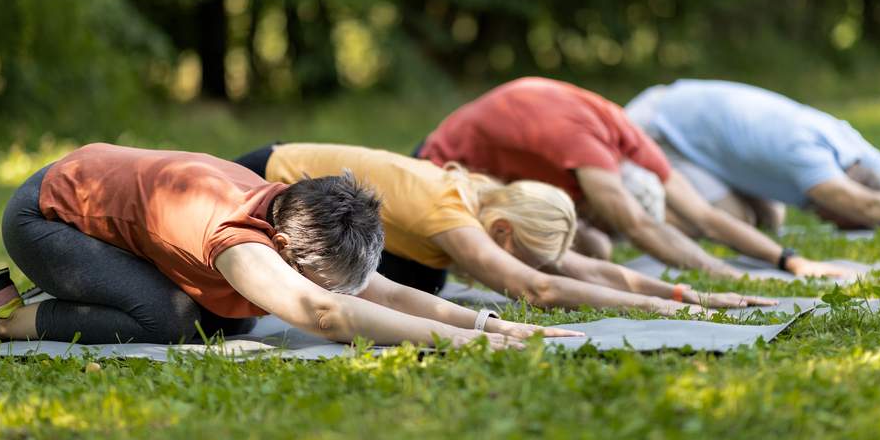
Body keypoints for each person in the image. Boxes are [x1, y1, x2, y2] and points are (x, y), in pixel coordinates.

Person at [0, 143, 579, 348]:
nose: (328, 289)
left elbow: (373, 290)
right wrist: (472, 345)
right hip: (43, 220)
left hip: (100, 209)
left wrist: (497, 325)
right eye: (318, 276)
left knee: (237, 316)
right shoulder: (236, 240)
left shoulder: (293, 210)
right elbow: (329, 312)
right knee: (170, 320)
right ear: (279, 243)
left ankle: (83, 279)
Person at [235, 142, 776, 314]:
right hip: (260, 182)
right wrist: (664, 310)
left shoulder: (492, 203)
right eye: (523, 254)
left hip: (307, 183)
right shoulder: (448, 211)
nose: (531, 267)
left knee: (430, 283)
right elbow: (538, 286)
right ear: (500, 231)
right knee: (414, 286)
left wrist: (684, 292)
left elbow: (575, 266)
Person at [418, 76, 851, 279]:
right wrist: (730, 277)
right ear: (602, 189)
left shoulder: (633, 141)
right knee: (566, 257)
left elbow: (705, 217)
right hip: (440, 168)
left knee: (594, 248)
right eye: (608, 209)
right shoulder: (583, 145)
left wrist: (788, 260)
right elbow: (639, 227)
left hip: (511, 174)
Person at [626, 79, 880, 240]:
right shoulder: (808, 157)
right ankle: (630, 216)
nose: (827, 221)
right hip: (655, 128)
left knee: (768, 221)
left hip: (685, 117)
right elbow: (869, 206)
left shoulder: (847, 142)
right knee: (733, 222)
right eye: (838, 220)